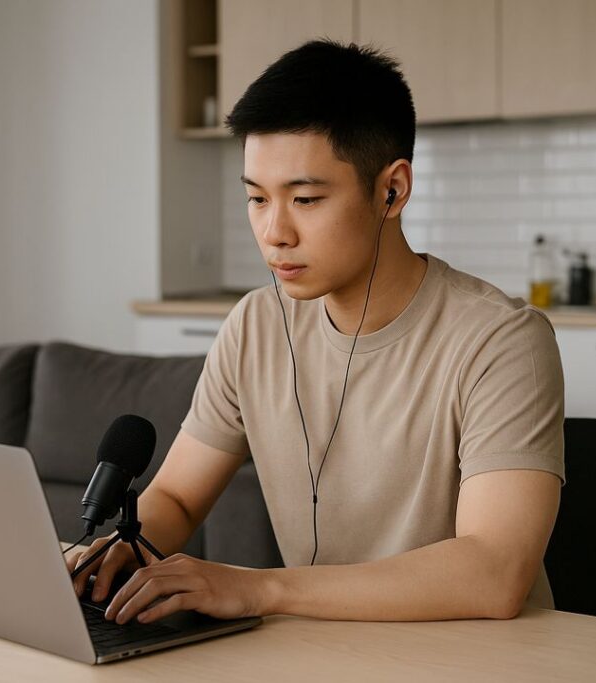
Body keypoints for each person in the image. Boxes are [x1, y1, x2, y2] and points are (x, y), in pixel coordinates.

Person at [67, 39, 564, 626]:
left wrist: (260, 590)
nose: (274, 232)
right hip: (321, 648)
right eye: (256, 199)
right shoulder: (255, 325)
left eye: (304, 198)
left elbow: (494, 572)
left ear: (392, 190)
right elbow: (175, 497)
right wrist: (116, 550)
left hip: (475, 656)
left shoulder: (500, 340)